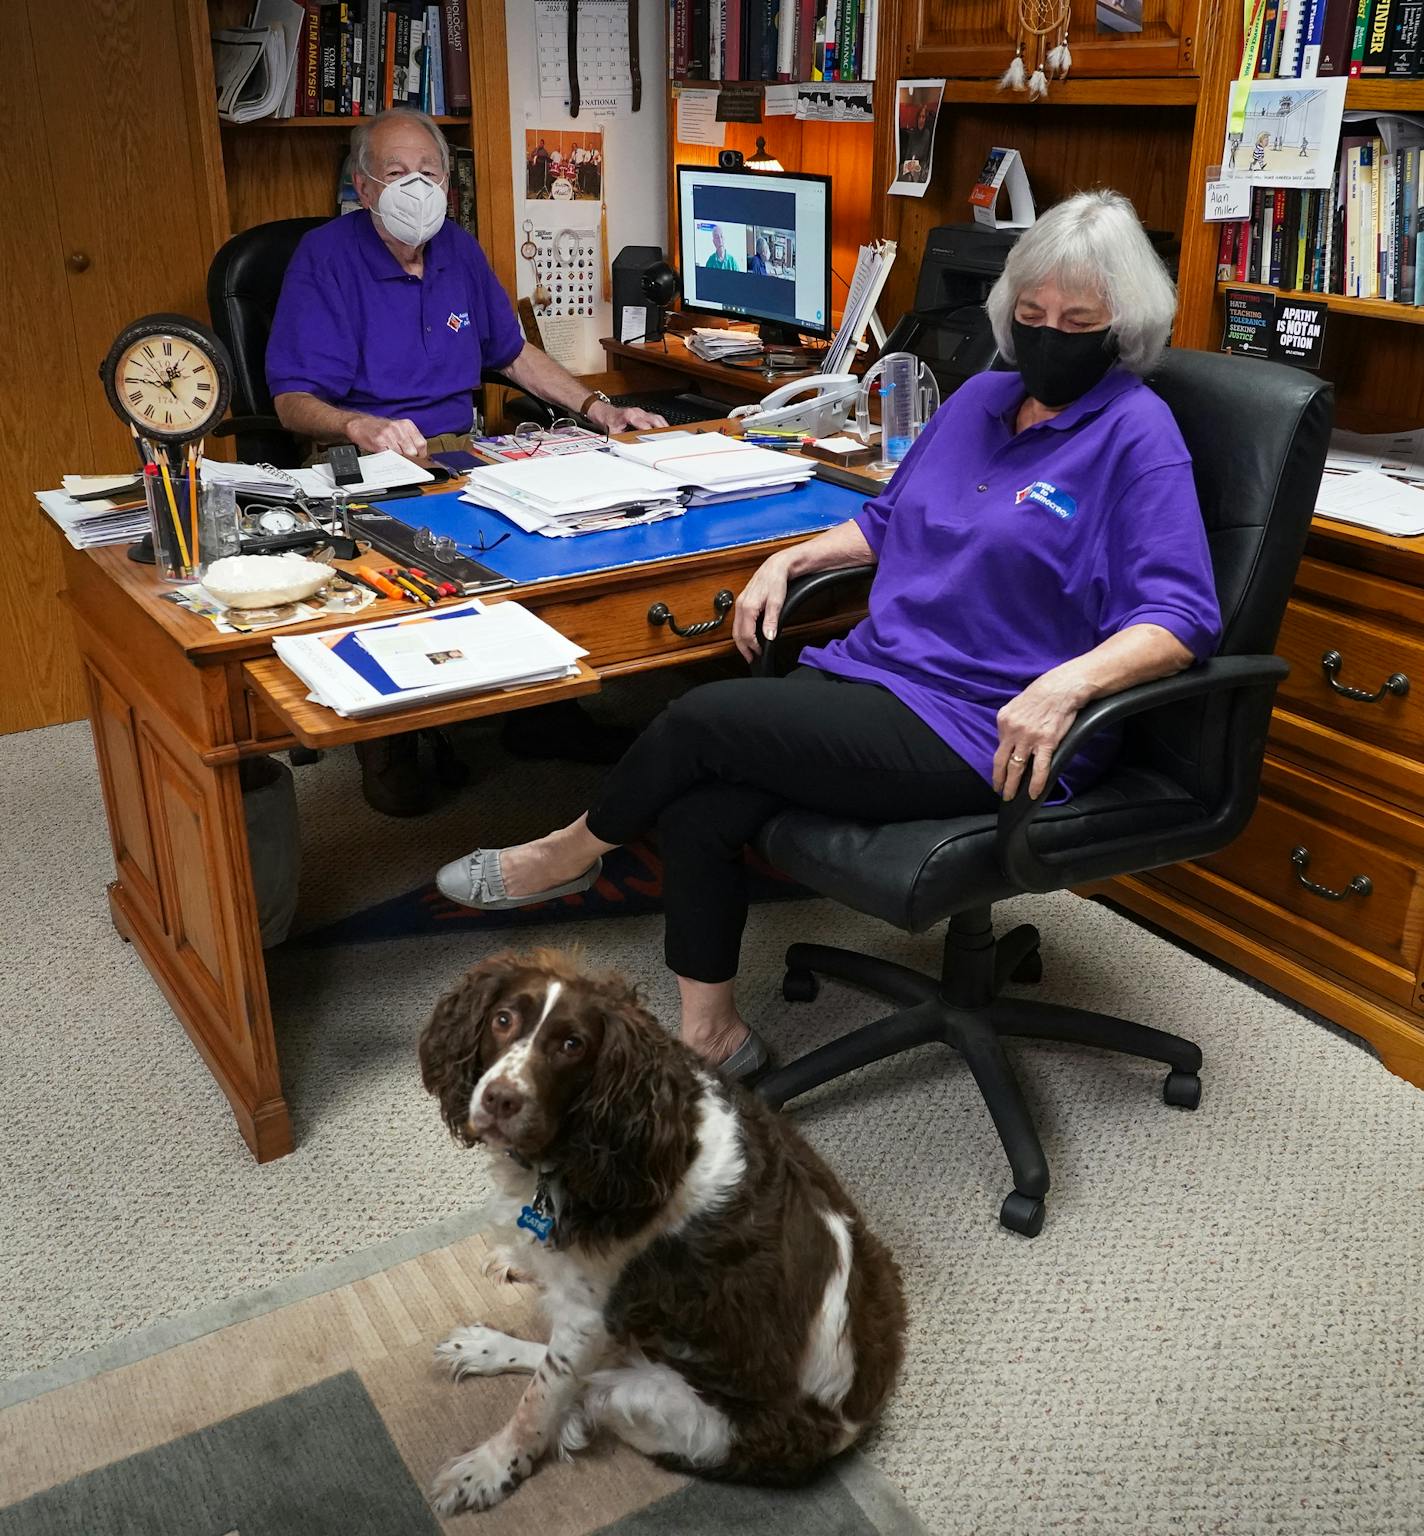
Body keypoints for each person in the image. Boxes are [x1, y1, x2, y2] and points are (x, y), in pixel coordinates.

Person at [433, 189, 1222, 1084]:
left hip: (990, 726)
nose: (1048, 335)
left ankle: (564, 854)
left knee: (700, 723)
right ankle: (713, 1036)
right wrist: (793, 561)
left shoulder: (1137, 437)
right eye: (1031, 314)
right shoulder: (982, 399)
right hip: (884, 674)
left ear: (1122, 327)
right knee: (699, 800)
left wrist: (1067, 686)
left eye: (1077, 320)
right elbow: (889, 519)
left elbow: (1183, 618)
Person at [266, 108, 663, 812]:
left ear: (449, 183)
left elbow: (511, 352)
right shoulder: (324, 259)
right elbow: (292, 399)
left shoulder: (458, 249)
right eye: (396, 174)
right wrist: (361, 424)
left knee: (556, 531)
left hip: (464, 448)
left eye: (429, 172)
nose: (415, 187)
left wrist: (600, 409)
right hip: (363, 457)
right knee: (397, 572)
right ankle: (387, 740)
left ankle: (543, 716)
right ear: (363, 187)